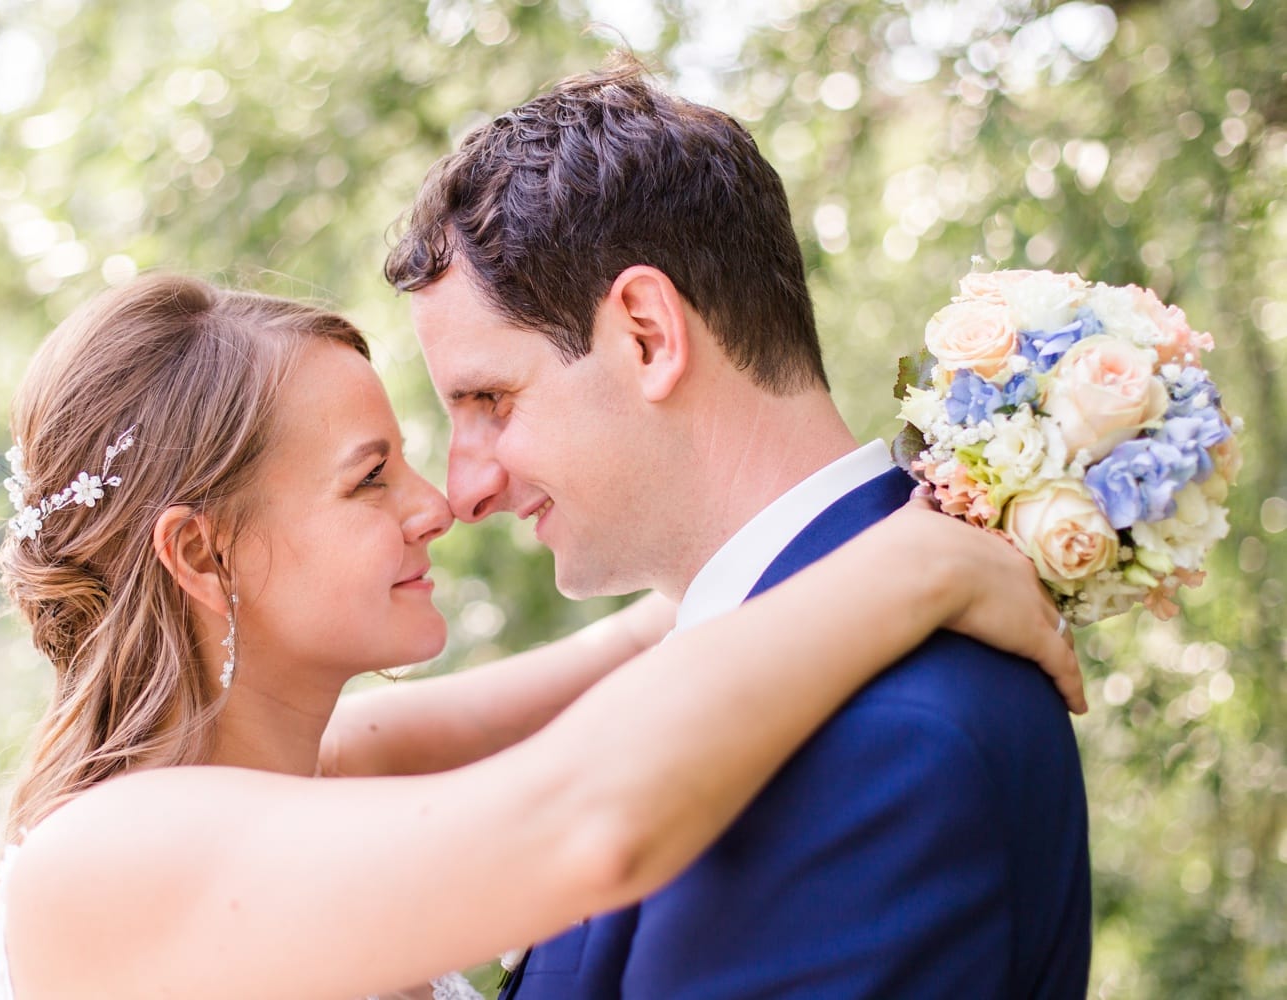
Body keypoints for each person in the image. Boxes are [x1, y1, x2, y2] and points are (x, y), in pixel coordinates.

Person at [0, 273, 1080, 1000]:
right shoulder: (100, 860)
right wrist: (917, 568)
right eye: (369, 479)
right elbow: (594, 820)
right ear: (203, 556)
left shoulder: (332, 760)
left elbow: (664, 640)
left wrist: (940, 498)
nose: (438, 501)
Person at [386, 56, 1092, 998]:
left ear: (647, 333)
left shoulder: (888, 739)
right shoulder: (752, 655)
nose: (460, 492)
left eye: (491, 400)